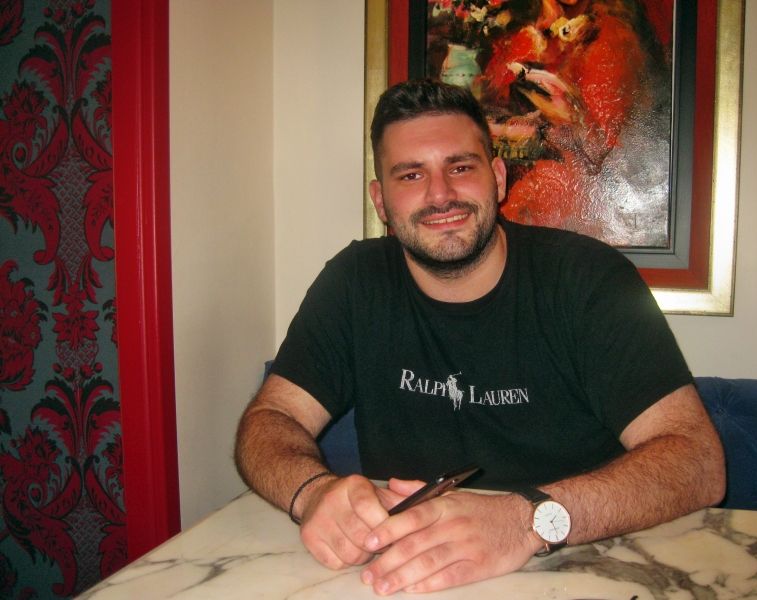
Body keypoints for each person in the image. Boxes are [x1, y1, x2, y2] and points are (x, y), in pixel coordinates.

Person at [235, 78, 725, 596]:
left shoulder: (587, 280)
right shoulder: (355, 282)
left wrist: (525, 521)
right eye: (411, 175)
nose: (440, 194)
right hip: (404, 576)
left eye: (461, 167)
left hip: (581, 566)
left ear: (498, 177)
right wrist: (312, 493)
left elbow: (697, 461)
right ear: (381, 200)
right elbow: (271, 419)